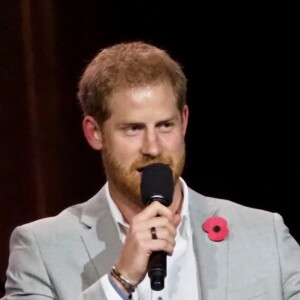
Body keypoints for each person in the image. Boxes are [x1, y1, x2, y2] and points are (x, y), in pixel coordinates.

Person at [2, 41, 300, 300]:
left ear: (184, 121)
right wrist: (119, 280)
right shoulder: (41, 249)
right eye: (133, 129)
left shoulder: (265, 235)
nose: (153, 147)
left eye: (165, 125)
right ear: (94, 132)